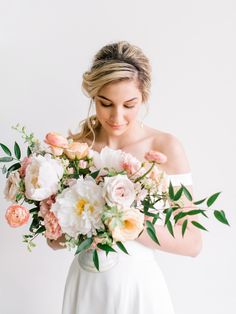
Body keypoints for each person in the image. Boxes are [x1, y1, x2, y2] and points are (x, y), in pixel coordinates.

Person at [47, 40, 203, 314]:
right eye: (105, 103)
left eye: (129, 105)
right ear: (93, 96)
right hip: (86, 285)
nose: (117, 116)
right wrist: (68, 224)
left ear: (143, 97)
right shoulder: (75, 148)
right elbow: (54, 241)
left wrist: (134, 227)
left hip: (137, 287)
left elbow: (192, 242)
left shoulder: (164, 147)